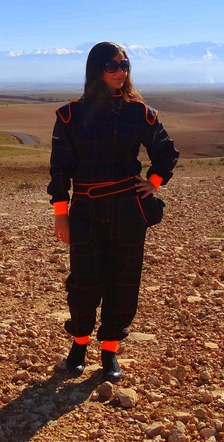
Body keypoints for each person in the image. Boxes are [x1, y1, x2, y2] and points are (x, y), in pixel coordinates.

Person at [47, 41, 179, 382]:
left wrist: (154, 182)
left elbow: (166, 152)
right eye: (113, 65)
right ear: (97, 69)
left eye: (125, 65)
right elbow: (60, 170)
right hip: (86, 210)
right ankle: (78, 345)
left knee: (124, 282)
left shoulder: (140, 112)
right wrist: (61, 213)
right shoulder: (70, 115)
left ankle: (109, 352)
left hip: (128, 211)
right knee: (84, 284)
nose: (121, 71)